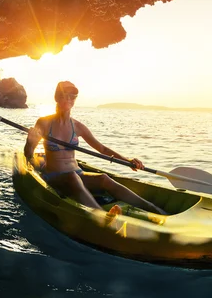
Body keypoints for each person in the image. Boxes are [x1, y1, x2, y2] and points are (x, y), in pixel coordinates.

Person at [23, 81, 166, 216]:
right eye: (65, 95)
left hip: (77, 174)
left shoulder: (78, 127)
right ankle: (102, 217)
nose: (69, 98)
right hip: (54, 177)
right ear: (57, 97)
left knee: (103, 178)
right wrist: (30, 142)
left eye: (73, 96)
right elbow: (28, 154)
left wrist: (127, 160)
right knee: (73, 177)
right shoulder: (44, 123)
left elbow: (102, 149)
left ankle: (154, 209)